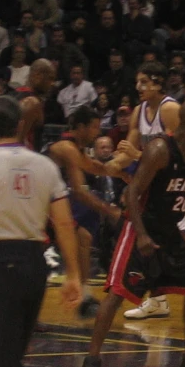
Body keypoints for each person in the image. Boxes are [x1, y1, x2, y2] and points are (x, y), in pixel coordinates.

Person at [79, 100, 185, 367]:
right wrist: (143, 234)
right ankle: (91, 363)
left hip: (169, 232)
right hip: (140, 231)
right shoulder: (160, 149)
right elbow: (132, 193)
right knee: (116, 293)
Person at [0, 96, 81, 367]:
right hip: (35, 264)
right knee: (8, 357)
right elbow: (65, 222)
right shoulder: (45, 166)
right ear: (20, 126)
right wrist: (73, 275)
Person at [117, 62, 185, 330]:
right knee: (156, 244)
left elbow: (181, 151)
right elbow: (127, 151)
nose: (138, 87)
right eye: (138, 82)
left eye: (144, 82)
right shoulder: (139, 110)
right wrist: (101, 166)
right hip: (156, 191)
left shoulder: (171, 109)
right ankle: (158, 300)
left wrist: (139, 157)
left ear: (158, 83)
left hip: (177, 184)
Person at [45, 106, 128, 318]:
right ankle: (82, 296)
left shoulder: (76, 149)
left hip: (49, 203)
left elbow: (95, 167)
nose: (96, 132)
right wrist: (109, 210)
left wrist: (124, 175)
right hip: (39, 204)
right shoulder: (66, 147)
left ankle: (84, 296)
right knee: (79, 239)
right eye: (93, 127)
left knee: (83, 237)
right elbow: (80, 191)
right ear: (80, 127)